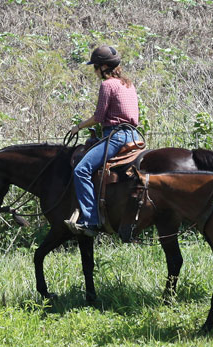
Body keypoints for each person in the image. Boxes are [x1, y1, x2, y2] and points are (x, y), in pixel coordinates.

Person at [65, 45, 140, 237]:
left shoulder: (107, 85)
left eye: (95, 67)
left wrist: (78, 127)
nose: (95, 71)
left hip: (116, 137)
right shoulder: (128, 84)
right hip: (135, 136)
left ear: (104, 67)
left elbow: (98, 117)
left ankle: (91, 220)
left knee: (81, 170)